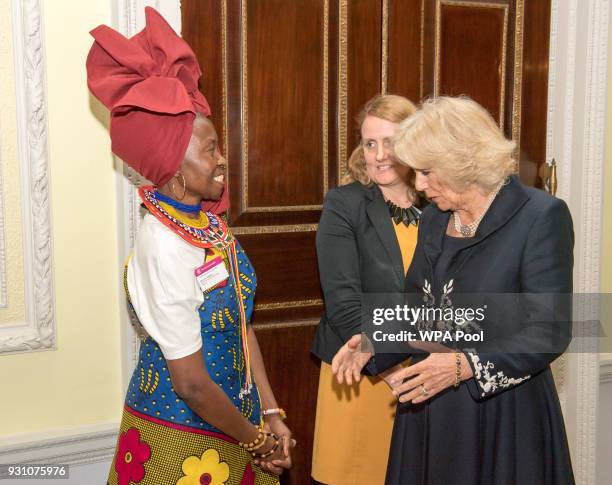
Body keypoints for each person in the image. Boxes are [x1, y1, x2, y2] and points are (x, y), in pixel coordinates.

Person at [86, 8, 294, 484]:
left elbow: (242, 326)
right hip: (181, 437)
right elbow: (192, 383)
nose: (223, 159)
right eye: (211, 149)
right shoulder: (163, 243)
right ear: (176, 170)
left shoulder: (209, 226)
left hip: (238, 426)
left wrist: (271, 411)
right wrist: (257, 440)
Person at [332, 96, 575, 485]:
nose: (420, 185)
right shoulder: (434, 219)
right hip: (433, 409)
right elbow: (418, 309)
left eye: (427, 171)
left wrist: (465, 365)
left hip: (504, 415)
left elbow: (549, 331)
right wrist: (374, 340)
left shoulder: (540, 216)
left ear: (464, 161)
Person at [311, 94, 421, 484]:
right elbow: (342, 301)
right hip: (359, 372)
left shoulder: (439, 203)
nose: (378, 155)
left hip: (426, 374)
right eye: (369, 143)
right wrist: (388, 367)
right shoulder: (345, 203)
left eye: (390, 142)